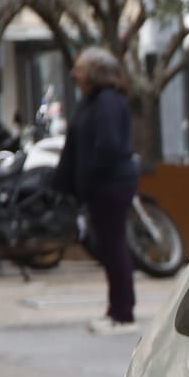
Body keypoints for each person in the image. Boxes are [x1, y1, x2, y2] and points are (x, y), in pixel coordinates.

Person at [59, 48, 141, 336]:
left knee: (114, 246)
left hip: (110, 184)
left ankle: (123, 313)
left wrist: (90, 175)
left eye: (80, 68)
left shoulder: (107, 101)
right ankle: (116, 309)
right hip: (100, 185)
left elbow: (107, 146)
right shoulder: (93, 102)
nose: (74, 74)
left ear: (94, 71)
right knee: (108, 247)